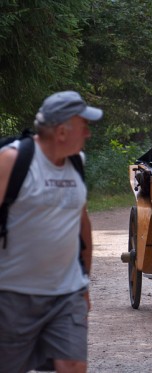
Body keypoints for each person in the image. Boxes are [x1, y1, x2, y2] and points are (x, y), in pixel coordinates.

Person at [0, 91, 102, 372]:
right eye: (84, 127)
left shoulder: (76, 162)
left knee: (73, 364)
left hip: (66, 294)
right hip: (12, 294)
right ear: (61, 132)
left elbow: (82, 225)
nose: (88, 134)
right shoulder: (12, 161)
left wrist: (84, 284)